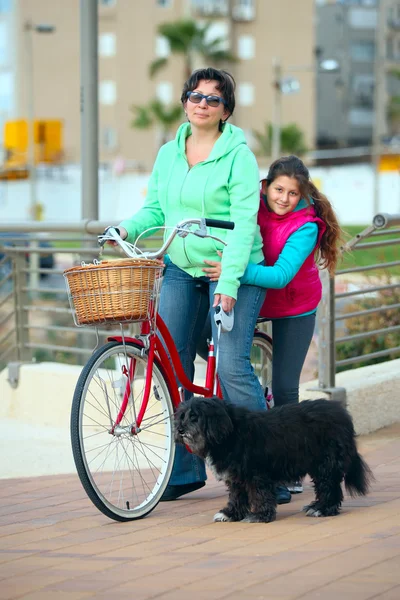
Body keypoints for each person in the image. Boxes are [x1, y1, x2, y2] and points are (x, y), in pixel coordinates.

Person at [110, 68, 267, 501]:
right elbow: (156, 210)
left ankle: (265, 472)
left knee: (232, 367)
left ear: (225, 111)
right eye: (195, 96)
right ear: (185, 102)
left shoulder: (239, 155)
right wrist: (125, 229)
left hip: (232, 267)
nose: (202, 103)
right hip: (180, 265)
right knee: (172, 362)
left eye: (212, 99)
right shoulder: (168, 153)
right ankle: (183, 472)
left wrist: (230, 283)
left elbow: (244, 225)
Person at [203, 154, 342, 500]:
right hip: (259, 301)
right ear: (266, 187)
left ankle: (291, 462)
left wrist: (232, 272)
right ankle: (257, 399)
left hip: (295, 307)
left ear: (303, 195)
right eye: (278, 189)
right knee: (221, 353)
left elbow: (279, 276)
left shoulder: (307, 226)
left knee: (284, 387)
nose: (283, 199)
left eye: (292, 194)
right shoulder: (254, 206)